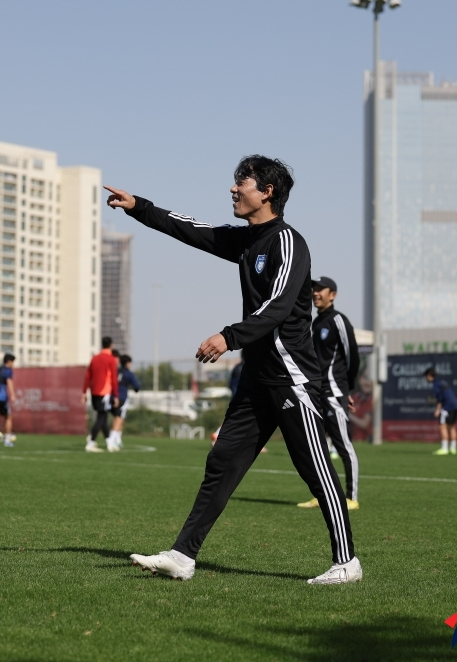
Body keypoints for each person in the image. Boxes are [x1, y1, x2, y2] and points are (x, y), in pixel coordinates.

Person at [106, 155, 360, 586]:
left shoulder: (288, 242)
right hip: (256, 379)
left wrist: (229, 336)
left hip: (292, 378)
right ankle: (182, 555)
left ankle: (347, 562)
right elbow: (192, 229)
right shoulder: (246, 240)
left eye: (242, 182)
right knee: (222, 461)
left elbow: (278, 306)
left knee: (313, 467)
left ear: (267, 192)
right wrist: (140, 207)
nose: (233, 189)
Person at [298, 277, 361, 511]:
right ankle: (323, 495)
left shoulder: (338, 320)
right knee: (319, 448)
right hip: (317, 393)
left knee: (343, 445)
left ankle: (352, 497)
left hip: (334, 392)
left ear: (332, 295)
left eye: (320, 290)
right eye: (313, 290)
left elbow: (352, 356)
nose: (315, 293)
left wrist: (347, 389)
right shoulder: (316, 322)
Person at [82, 336, 119, 452]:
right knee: (101, 417)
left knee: (103, 417)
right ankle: (91, 442)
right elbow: (113, 379)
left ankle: (109, 443)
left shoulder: (94, 358)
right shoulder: (111, 359)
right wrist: (116, 395)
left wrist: (84, 392)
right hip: (104, 392)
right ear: (111, 345)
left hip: (94, 391)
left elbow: (88, 376)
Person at [109, 354, 141, 452]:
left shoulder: (115, 371)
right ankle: (112, 440)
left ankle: (117, 439)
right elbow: (136, 387)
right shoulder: (128, 373)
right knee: (119, 418)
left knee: (116, 418)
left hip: (111, 397)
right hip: (122, 397)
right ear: (127, 363)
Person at [425, 367, 457, 455]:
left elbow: (440, 399)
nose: (426, 379)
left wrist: (437, 410)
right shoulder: (442, 382)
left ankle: (444, 449)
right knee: (451, 427)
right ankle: (453, 449)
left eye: (426, 377)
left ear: (429, 376)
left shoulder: (435, 384)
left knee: (442, 426)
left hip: (447, 407)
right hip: (455, 406)